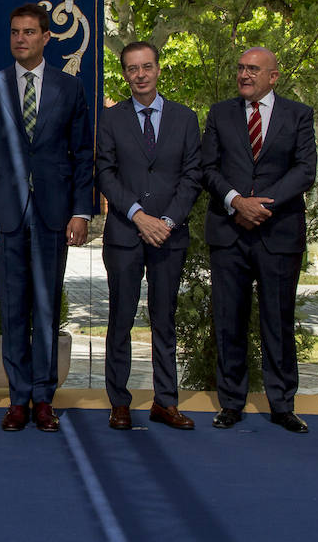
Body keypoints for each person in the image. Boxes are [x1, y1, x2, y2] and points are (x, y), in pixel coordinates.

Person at [0, 3, 94, 432]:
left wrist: (82, 210)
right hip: (4, 215)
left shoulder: (70, 87)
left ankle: (44, 398)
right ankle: (18, 400)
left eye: (29, 32)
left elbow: (82, 154)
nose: (20, 38)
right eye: (14, 32)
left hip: (52, 214)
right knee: (12, 310)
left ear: (47, 37)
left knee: (45, 310)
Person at [200, 47, 317, 433]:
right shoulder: (220, 114)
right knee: (229, 321)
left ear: (273, 76)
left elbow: (304, 170)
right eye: (241, 68)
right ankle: (231, 402)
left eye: (253, 69)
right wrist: (237, 202)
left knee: (278, 322)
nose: (244, 75)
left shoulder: (298, 115)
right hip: (230, 232)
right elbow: (208, 168)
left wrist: (262, 205)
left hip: (278, 232)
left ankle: (282, 404)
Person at [95, 41, 202, 431]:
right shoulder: (111, 119)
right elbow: (105, 172)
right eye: (132, 69)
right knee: (120, 319)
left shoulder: (185, 118)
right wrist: (140, 216)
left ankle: (165, 402)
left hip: (169, 237)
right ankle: (119, 403)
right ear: (125, 74)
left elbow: (193, 176)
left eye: (146, 67)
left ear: (158, 69)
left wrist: (168, 221)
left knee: (164, 319)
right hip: (125, 233)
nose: (140, 75)